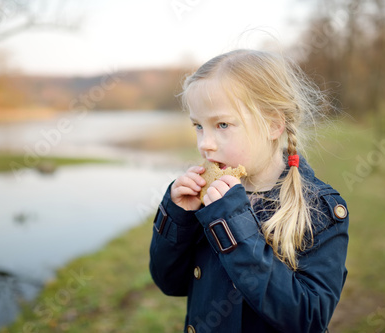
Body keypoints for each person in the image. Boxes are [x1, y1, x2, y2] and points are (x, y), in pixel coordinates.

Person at [149, 49, 349, 333]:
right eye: (198, 126)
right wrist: (177, 216)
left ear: (273, 125)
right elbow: (169, 283)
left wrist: (233, 223)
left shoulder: (318, 209)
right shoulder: (210, 199)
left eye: (222, 124)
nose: (204, 144)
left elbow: (309, 319)